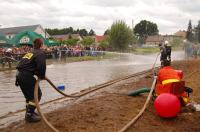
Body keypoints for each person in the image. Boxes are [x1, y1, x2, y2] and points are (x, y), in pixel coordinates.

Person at [16, 38, 46, 122]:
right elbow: (41, 67)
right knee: (37, 95)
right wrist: (42, 76)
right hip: (26, 75)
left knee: (29, 96)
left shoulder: (30, 52)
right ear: (41, 45)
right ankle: (29, 115)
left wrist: (35, 72)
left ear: (33, 45)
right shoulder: (40, 53)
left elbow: (25, 64)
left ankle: (29, 113)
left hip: (18, 75)